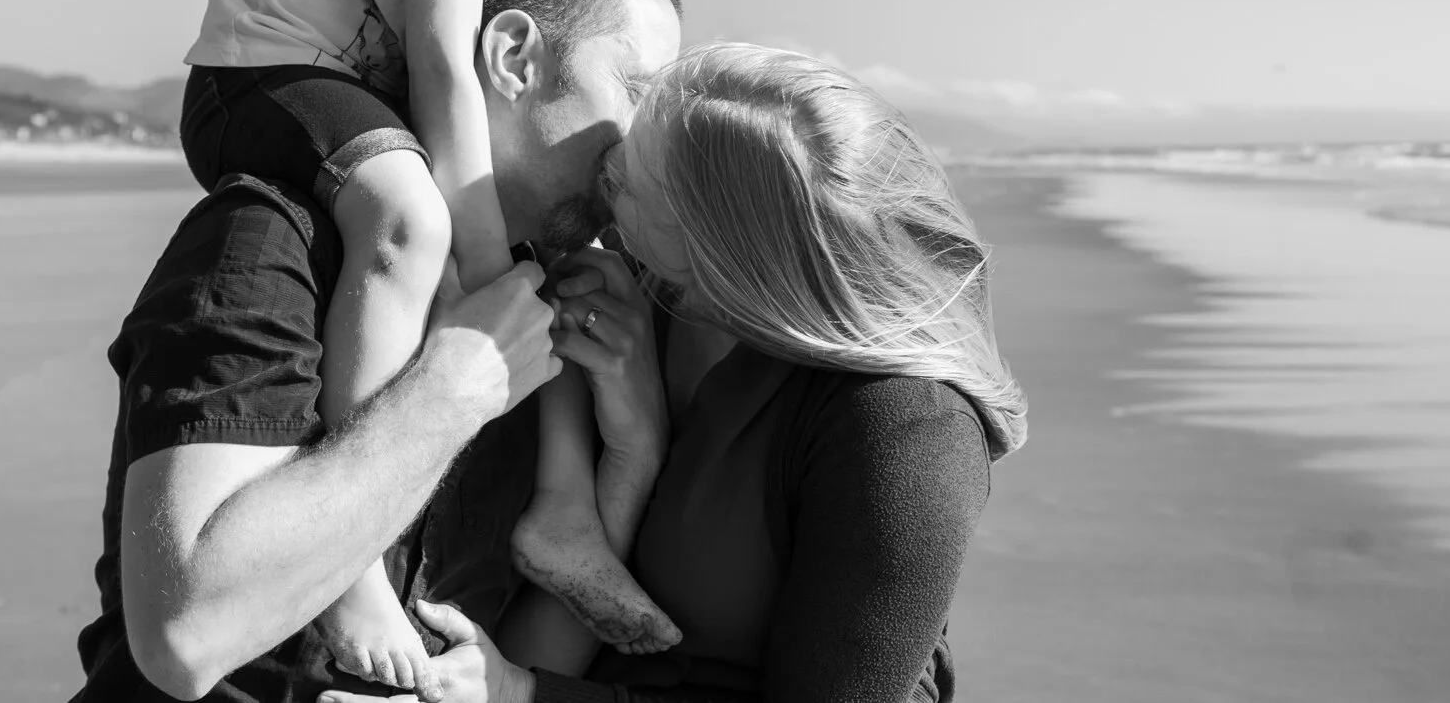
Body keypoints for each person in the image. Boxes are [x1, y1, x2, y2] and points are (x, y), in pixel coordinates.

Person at [180, 0, 790, 681]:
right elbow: (440, 56)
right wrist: (471, 261)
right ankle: (357, 569)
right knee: (409, 218)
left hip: (351, 85)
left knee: (542, 249)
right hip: (264, 70)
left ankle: (561, 509)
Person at [75, 0, 686, 702]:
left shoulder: (548, 301)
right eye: (636, 90)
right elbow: (186, 634)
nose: (642, 138)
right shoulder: (275, 239)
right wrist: (453, 386)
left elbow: (509, 657)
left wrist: (635, 456)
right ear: (513, 57)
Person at [320, 45, 1029, 703]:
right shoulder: (639, 299)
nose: (606, 174)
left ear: (720, 247)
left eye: (632, 180)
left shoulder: (907, 434)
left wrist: (521, 692)